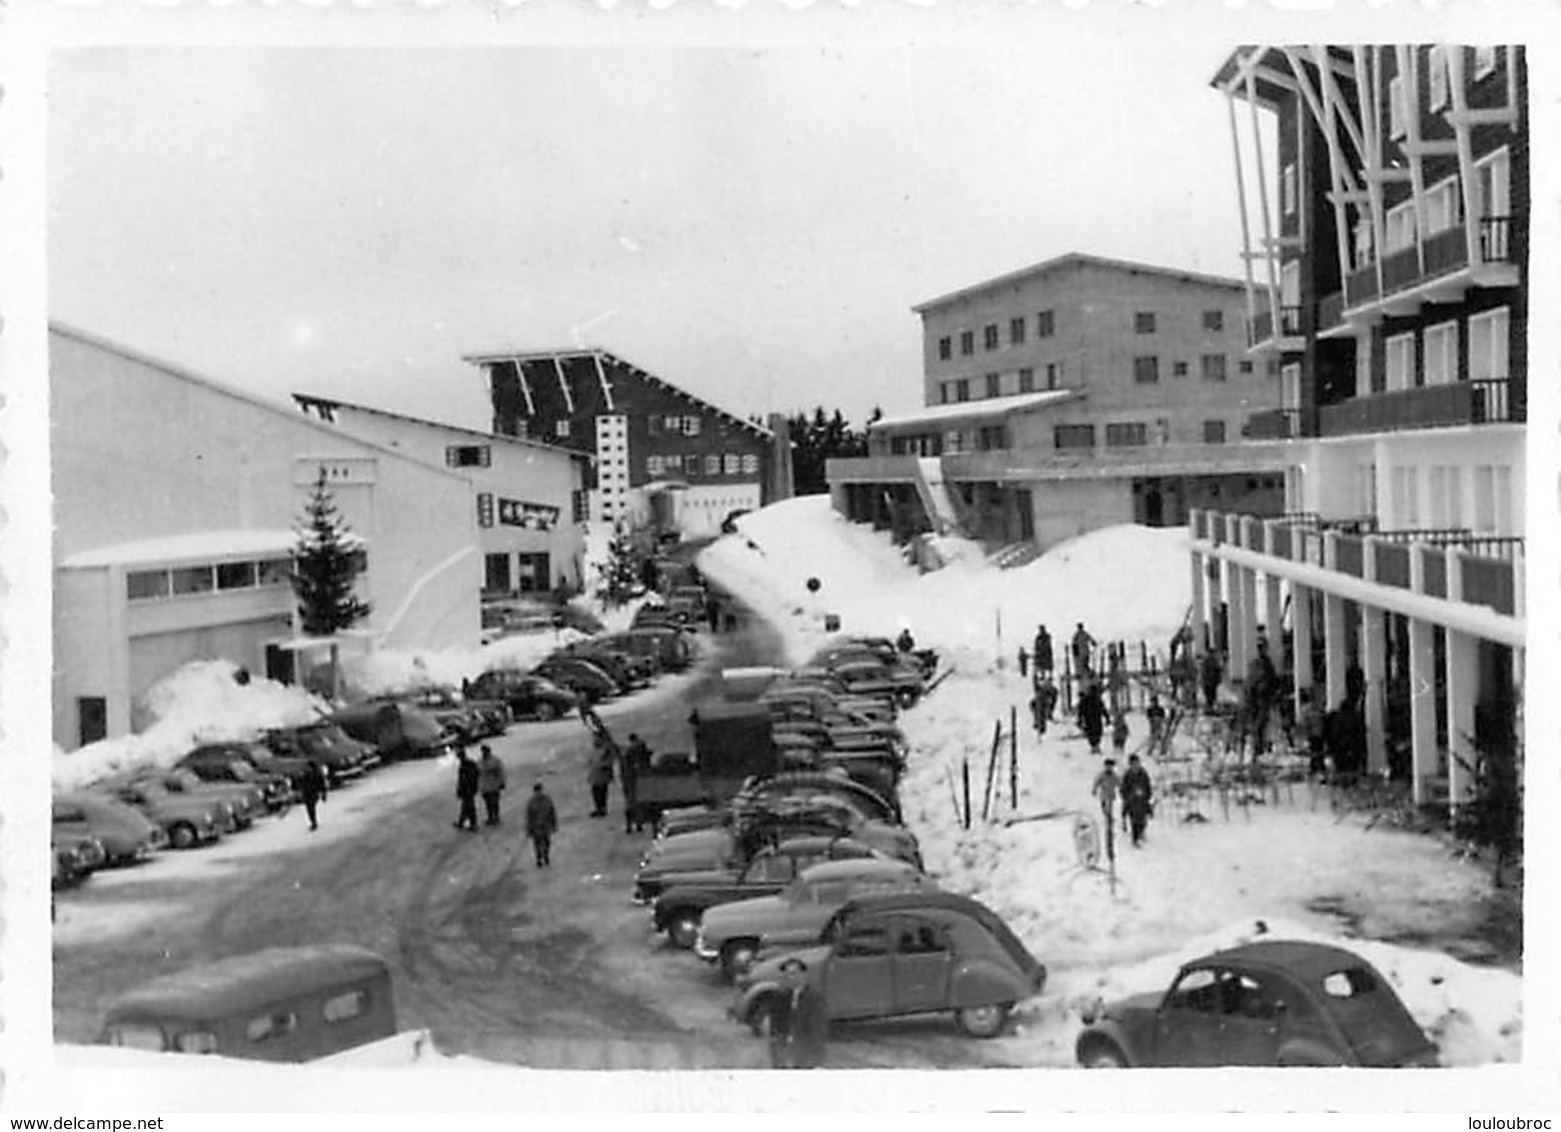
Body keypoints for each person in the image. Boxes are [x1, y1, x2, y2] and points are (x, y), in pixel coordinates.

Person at [1120, 754, 1154, 847]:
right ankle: (1135, 838)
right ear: (1130, 765)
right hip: (1132, 801)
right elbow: (1124, 787)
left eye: (1137, 763)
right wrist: (1126, 797)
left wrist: (1148, 795)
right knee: (1134, 820)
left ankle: (1141, 832)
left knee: (1143, 818)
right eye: (1133, 764)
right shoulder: (1127, 775)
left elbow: (1148, 785)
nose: (1136, 765)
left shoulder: (1143, 773)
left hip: (1142, 800)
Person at [622, 733, 652, 833]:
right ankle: (639, 823)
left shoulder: (628, 753)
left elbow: (625, 768)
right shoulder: (643, 750)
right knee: (639, 803)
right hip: (640, 779)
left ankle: (630, 825)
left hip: (631, 780)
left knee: (630, 803)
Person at [525, 782, 558, 866]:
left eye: (539, 791)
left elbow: (552, 813)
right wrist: (529, 829)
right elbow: (529, 817)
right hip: (536, 826)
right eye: (537, 792)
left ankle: (546, 855)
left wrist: (554, 824)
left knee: (547, 841)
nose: (538, 793)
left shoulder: (547, 800)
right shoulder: (531, 802)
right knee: (537, 843)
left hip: (546, 825)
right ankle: (539, 858)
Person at [477, 745, 507, 826]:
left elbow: (500, 771)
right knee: (488, 803)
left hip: (494, 785)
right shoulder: (480, 761)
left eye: (485, 751)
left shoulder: (495, 760)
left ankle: (496, 817)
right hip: (485, 786)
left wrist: (501, 782)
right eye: (482, 751)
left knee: (494, 802)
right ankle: (490, 817)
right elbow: (478, 773)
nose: (483, 753)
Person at [453, 747, 480, 831]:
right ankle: (462, 822)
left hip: (468, 789)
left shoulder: (466, 764)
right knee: (466, 806)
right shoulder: (469, 763)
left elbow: (464, 779)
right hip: (469, 788)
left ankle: (472, 824)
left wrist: (462, 788)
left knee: (469, 806)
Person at [1078, 681, 1107, 755]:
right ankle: (1095, 746)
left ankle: (1095, 746)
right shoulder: (1086, 700)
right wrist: (1080, 719)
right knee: (1093, 732)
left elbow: (1103, 709)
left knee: (1095, 732)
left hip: (1093, 718)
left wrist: (1107, 717)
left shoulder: (1096, 699)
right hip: (1091, 718)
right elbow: (1081, 710)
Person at [298, 758, 328, 832]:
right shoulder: (317, 772)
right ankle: (313, 822)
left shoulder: (308, 773)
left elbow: (301, 782)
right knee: (311, 808)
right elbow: (323, 784)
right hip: (312, 792)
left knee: (310, 808)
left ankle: (313, 822)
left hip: (310, 792)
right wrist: (324, 795)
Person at [1091, 758, 1120, 827]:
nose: (1109, 768)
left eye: (1110, 766)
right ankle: (1106, 814)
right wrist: (1094, 789)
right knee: (1103, 805)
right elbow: (1096, 781)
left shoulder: (1114, 775)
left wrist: (1121, 787)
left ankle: (1109, 817)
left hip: (1111, 793)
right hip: (1103, 793)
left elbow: (1118, 782)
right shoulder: (1102, 774)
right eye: (1107, 766)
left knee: (1110, 806)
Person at [588, 745, 614, 818]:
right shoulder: (595, 750)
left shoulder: (607, 750)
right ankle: (599, 808)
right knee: (596, 791)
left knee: (601, 791)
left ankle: (602, 808)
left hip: (601, 774)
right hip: (595, 774)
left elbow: (608, 763)